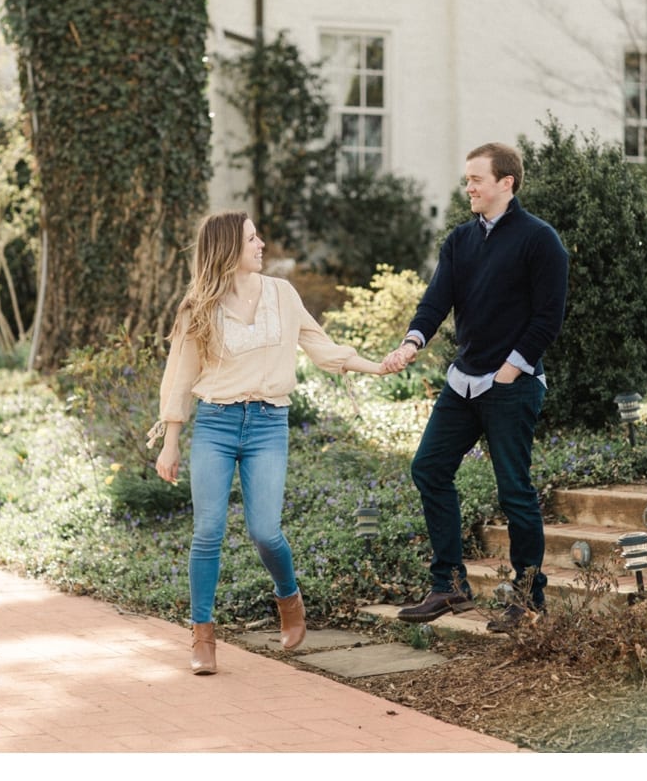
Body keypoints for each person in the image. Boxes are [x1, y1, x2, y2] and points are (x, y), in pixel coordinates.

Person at [149, 211, 386, 675]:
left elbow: (322, 347)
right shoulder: (198, 306)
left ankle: (289, 597)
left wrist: (377, 367)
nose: (261, 246)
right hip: (216, 424)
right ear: (227, 250)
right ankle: (202, 637)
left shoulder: (282, 294)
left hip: (267, 425)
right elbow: (179, 376)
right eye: (252, 239)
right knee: (207, 532)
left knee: (264, 531)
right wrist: (170, 441)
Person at [382, 143, 568, 633]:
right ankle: (450, 586)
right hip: (463, 382)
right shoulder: (460, 240)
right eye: (467, 180)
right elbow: (436, 300)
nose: (469, 187)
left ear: (506, 182)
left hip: (512, 384)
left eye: (476, 180)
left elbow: (548, 316)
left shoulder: (539, 240)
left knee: (514, 491)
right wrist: (411, 342)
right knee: (429, 468)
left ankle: (529, 598)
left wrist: (511, 369)